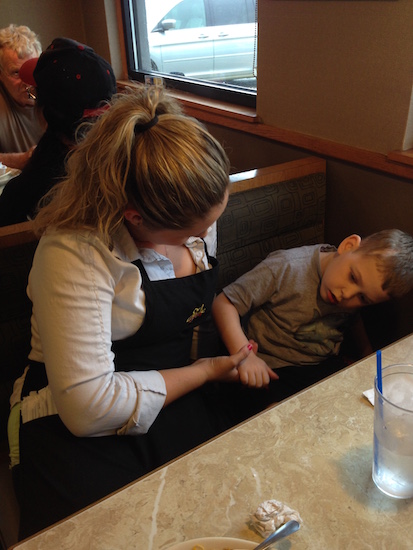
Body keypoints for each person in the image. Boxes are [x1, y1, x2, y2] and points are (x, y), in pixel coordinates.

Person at [9, 85, 254, 539]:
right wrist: (201, 373)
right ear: (135, 217)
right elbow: (87, 408)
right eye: (189, 234)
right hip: (73, 419)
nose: (204, 237)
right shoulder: (73, 253)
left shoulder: (193, 217)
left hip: (177, 387)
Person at [212, 229, 413, 394]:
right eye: (353, 277)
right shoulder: (286, 267)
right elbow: (223, 303)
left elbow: (353, 320)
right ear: (348, 246)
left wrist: (366, 355)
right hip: (269, 366)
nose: (347, 294)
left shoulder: (350, 296)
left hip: (321, 366)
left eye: (362, 299)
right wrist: (246, 357)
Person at [0, 37, 117, 226]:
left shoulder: (30, 188)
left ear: (45, 116)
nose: (26, 86)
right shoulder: (129, 163)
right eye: (15, 73)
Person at [0, 24, 46, 169]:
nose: (27, 82)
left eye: (32, 69)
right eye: (16, 73)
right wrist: (20, 160)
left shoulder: (57, 92)